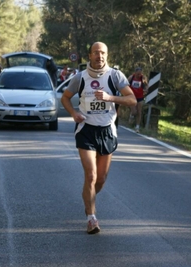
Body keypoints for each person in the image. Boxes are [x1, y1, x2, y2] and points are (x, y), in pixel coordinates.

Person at [61, 42, 136, 234]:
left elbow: (132, 99)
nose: (99, 56)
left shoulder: (115, 76)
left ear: (107, 55)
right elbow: (65, 97)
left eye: (102, 53)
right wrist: (73, 114)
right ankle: (91, 218)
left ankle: (88, 195)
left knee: (100, 179)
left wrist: (110, 98)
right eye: (96, 53)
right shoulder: (80, 77)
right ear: (90, 55)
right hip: (86, 129)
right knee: (91, 175)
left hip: (107, 130)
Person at [128, 67, 148, 133]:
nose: (139, 75)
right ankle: (131, 115)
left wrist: (145, 90)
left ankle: (137, 127)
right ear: (135, 72)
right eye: (138, 74)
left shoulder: (143, 78)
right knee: (134, 112)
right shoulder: (131, 77)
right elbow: (125, 85)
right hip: (131, 96)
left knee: (139, 112)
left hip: (140, 97)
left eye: (140, 74)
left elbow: (147, 86)